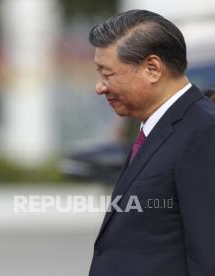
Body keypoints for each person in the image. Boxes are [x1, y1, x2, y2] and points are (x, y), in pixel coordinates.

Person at [88, 9, 215, 275]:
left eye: (108, 74)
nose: (100, 87)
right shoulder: (155, 128)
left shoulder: (204, 132)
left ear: (152, 69)